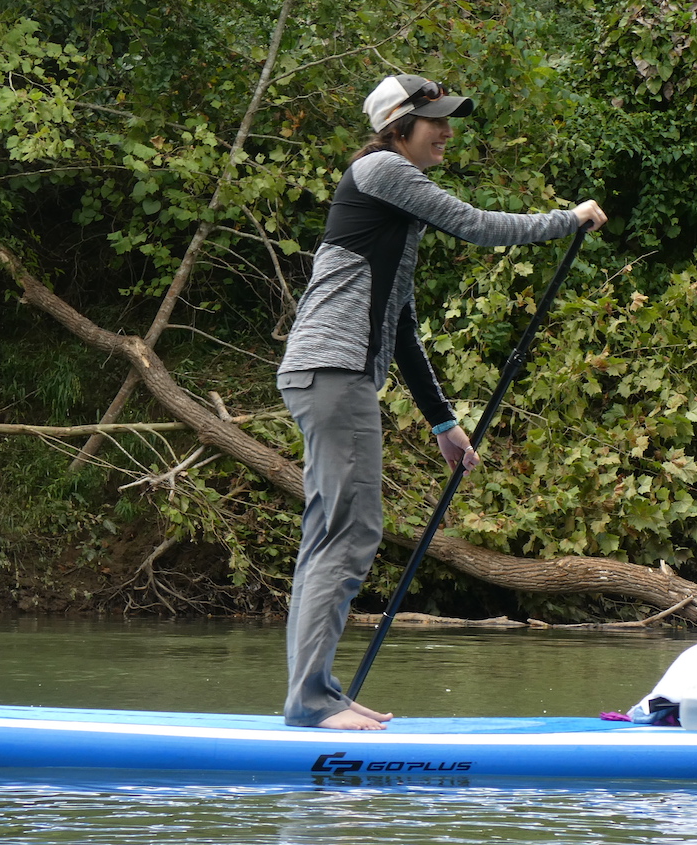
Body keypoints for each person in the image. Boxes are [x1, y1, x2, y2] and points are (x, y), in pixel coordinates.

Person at [276, 73, 607, 730]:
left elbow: (400, 327)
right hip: (335, 371)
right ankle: (310, 702)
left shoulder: (392, 204)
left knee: (329, 532)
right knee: (352, 531)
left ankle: (316, 693)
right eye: (437, 122)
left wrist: (442, 422)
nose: (448, 132)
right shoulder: (382, 169)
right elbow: (475, 225)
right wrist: (567, 219)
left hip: (327, 373)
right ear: (398, 127)